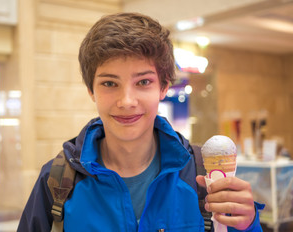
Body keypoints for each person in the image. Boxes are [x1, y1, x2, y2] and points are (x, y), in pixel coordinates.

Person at [18, 12, 263, 231]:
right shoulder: (57, 180)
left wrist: (248, 225)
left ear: (164, 86)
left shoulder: (199, 175)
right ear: (91, 90)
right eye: (110, 83)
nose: (126, 101)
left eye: (143, 82)